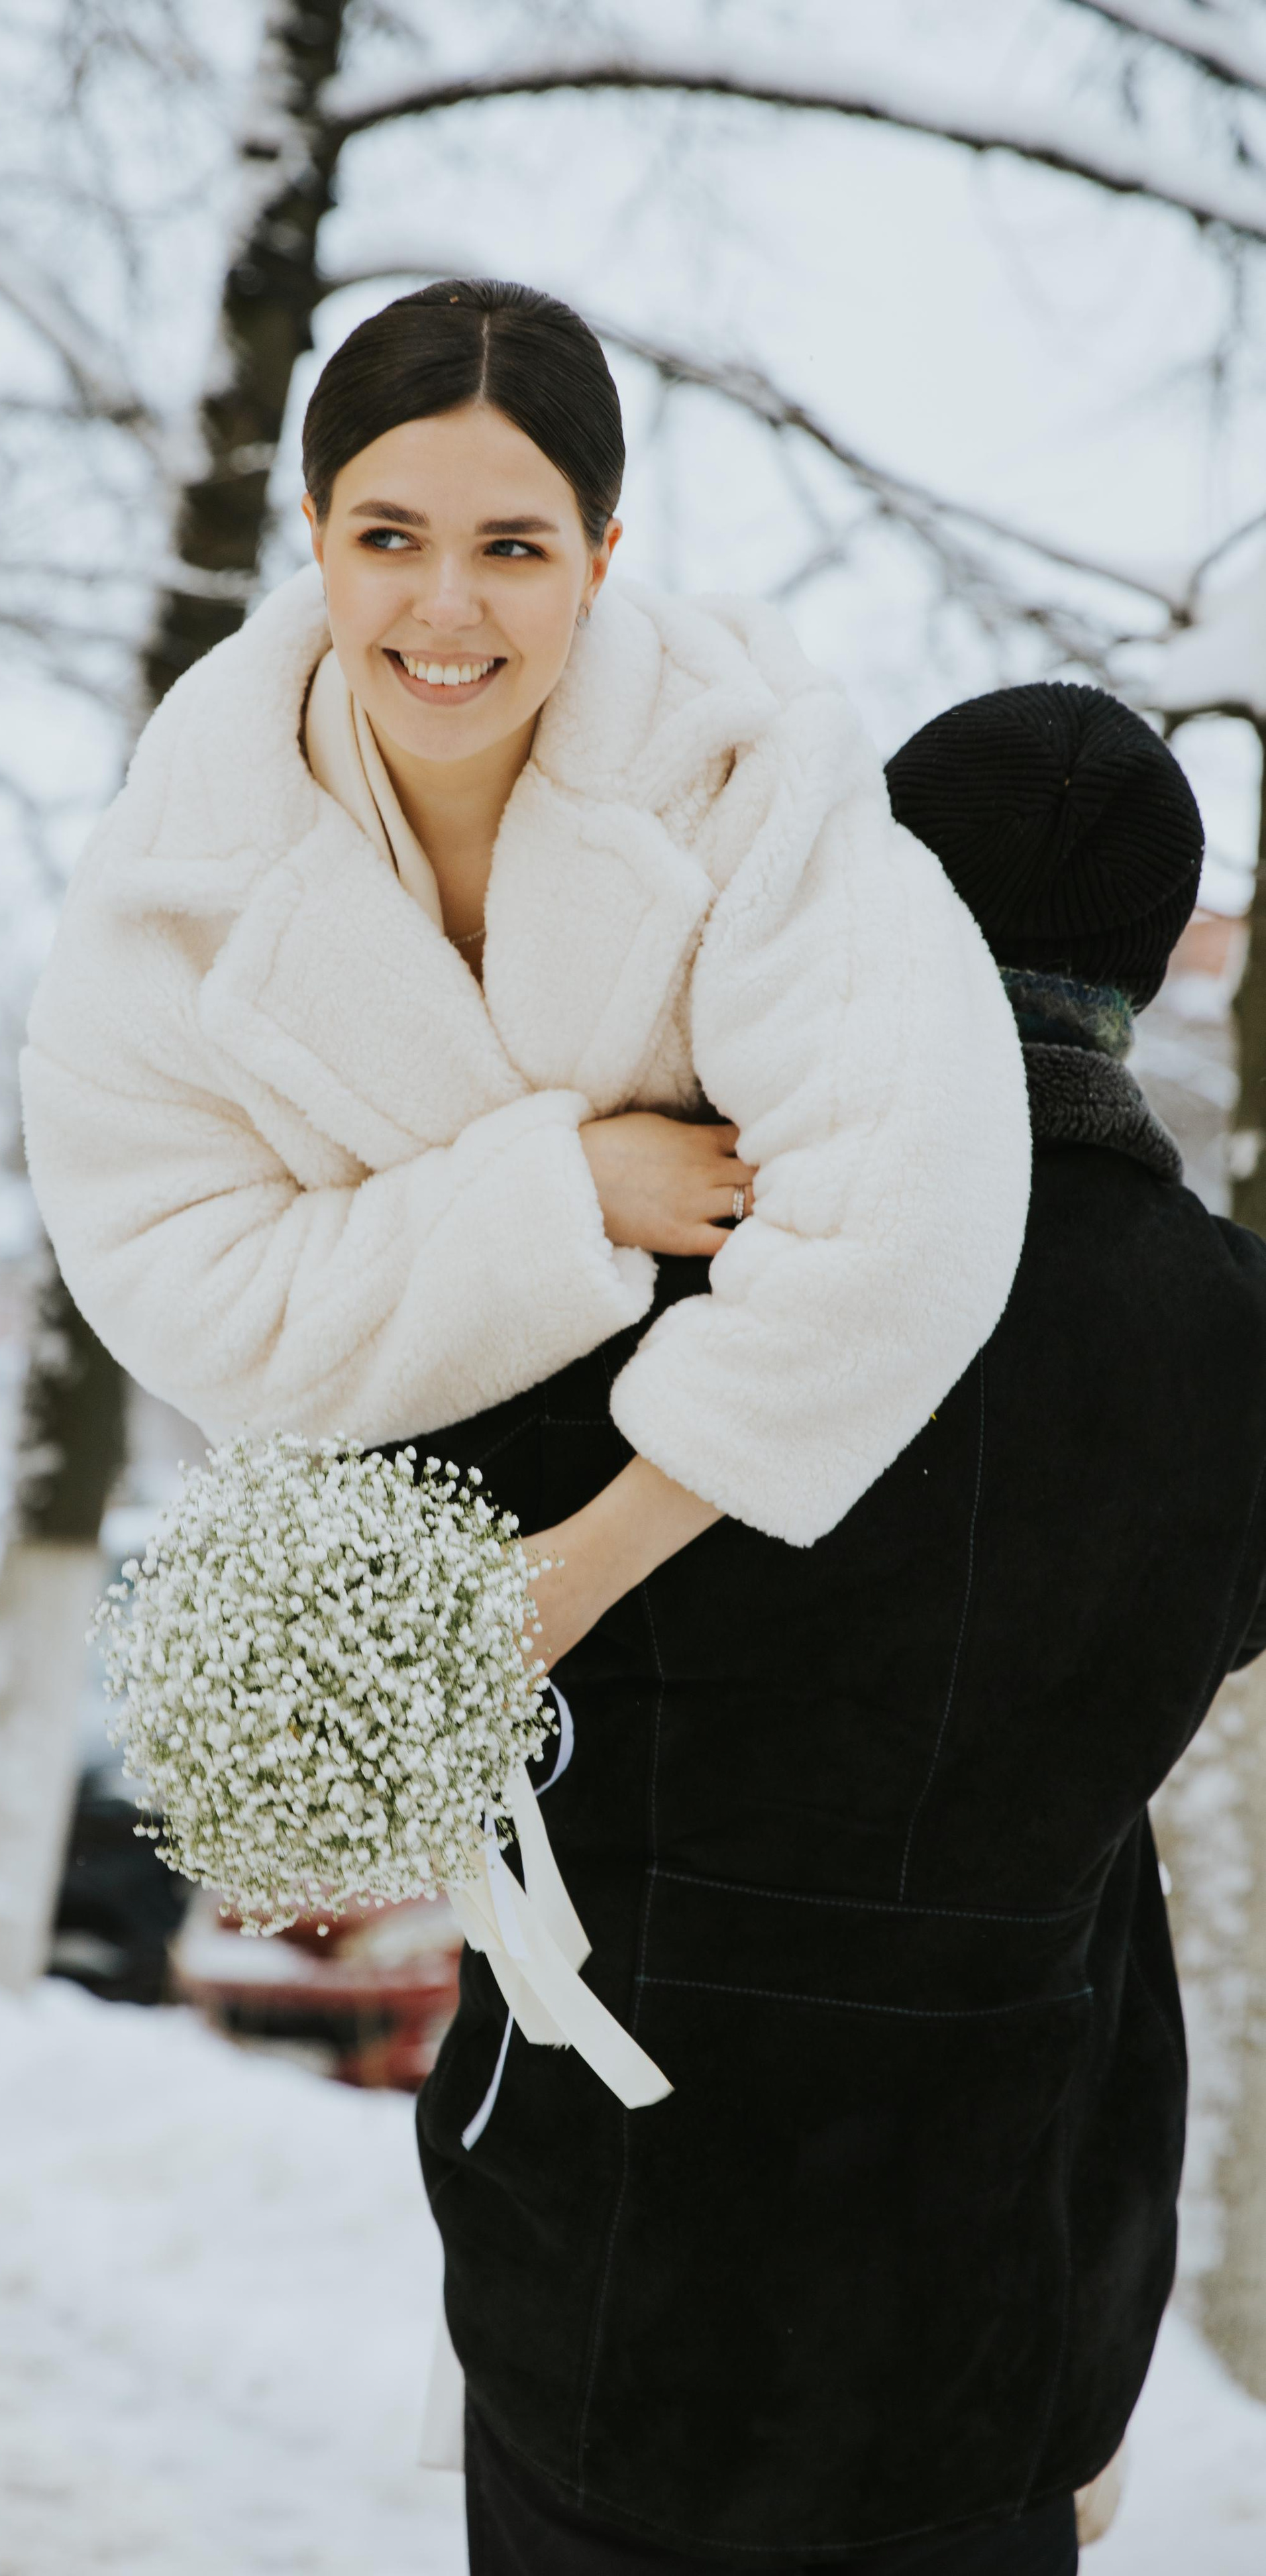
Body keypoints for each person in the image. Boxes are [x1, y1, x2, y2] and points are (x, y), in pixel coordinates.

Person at [417, 681, 1266, 2574]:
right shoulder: (1234, 1338)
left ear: (869, 897)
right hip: (996, 2307)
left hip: (614, 2274)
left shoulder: (665, 1238)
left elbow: (421, 1550)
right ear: (1150, 967)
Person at [21, 277, 1027, 1609]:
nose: (446, 607)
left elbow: (909, 1206)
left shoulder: (749, 767)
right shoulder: (173, 871)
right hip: (384, 1614)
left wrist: (578, 1572)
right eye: (389, 538)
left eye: (512, 549)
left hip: (770, 1589)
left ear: (598, 560)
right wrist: (561, 1197)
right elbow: (197, 1304)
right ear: (314, 538)